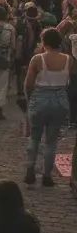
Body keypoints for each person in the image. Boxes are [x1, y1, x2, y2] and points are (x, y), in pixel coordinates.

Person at [23, 27, 73, 186]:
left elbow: (28, 83)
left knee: (35, 136)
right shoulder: (68, 59)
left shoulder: (38, 59)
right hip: (60, 100)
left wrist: (29, 98)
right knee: (51, 141)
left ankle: (30, 168)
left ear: (44, 42)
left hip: (40, 98)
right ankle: (46, 175)